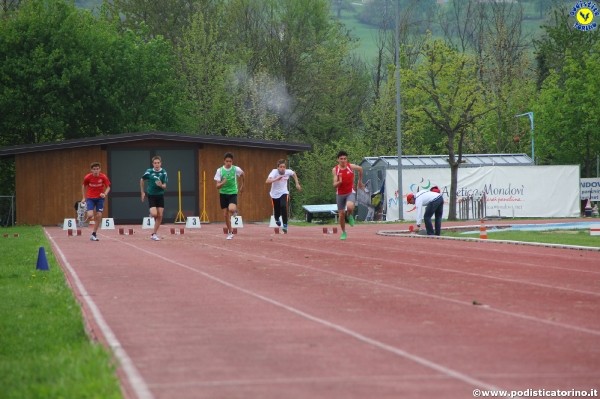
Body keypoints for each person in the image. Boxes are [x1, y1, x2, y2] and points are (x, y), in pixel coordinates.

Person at [332, 150, 364, 240]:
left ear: (347, 159)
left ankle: (350, 215)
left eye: (345, 159)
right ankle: (343, 232)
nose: (343, 160)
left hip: (350, 192)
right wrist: (339, 182)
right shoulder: (335, 170)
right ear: (338, 160)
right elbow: (334, 185)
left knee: (350, 207)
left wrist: (360, 181)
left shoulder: (350, 166)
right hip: (340, 194)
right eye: (341, 159)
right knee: (341, 214)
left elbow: (361, 169)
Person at [266, 159, 302, 234]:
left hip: (284, 192)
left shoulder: (288, 171)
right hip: (274, 194)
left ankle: (285, 225)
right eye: (281, 167)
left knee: (283, 206)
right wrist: (276, 179)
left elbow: (294, 174)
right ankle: (277, 219)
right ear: (278, 167)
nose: (282, 168)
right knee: (277, 210)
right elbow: (267, 181)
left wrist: (297, 183)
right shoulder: (274, 172)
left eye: (284, 167)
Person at [214, 152, 245, 240]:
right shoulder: (219, 170)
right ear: (224, 161)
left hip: (232, 192)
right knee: (225, 214)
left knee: (231, 209)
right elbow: (217, 186)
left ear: (232, 162)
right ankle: (230, 232)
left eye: (230, 161)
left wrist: (243, 185)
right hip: (223, 193)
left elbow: (243, 174)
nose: (228, 163)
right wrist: (222, 183)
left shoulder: (236, 169)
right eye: (227, 161)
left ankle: (234, 211)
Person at [140, 155, 168, 241]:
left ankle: (154, 234)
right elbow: (141, 179)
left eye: (158, 163)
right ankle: (151, 214)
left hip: (160, 195)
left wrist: (161, 185)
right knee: (155, 214)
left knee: (160, 215)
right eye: (155, 163)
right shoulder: (149, 172)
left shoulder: (164, 172)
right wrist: (142, 192)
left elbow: (165, 186)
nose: (157, 164)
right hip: (151, 195)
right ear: (153, 164)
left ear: (161, 163)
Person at [81, 162, 111, 241]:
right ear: (91, 170)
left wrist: (104, 194)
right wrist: (84, 197)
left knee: (99, 215)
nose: (96, 171)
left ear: (100, 169)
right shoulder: (88, 177)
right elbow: (83, 186)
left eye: (97, 169)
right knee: (90, 215)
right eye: (94, 169)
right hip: (90, 198)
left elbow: (108, 187)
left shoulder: (103, 177)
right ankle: (87, 210)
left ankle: (93, 234)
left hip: (100, 199)